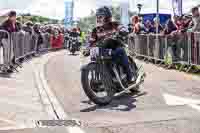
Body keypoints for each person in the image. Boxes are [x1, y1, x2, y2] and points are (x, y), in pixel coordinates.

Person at [89, 6, 136, 83]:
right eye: (98, 17)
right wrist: (88, 47)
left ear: (107, 17)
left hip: (115, 47)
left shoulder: (114, 24)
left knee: (121, 50)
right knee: (95, 57)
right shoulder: (95, 30)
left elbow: (122, 28)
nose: (98, 19)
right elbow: (91, 41)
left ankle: (130, 76)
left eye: (100, 16)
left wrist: (122, 30)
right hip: (103, 50)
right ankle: (101, 80)